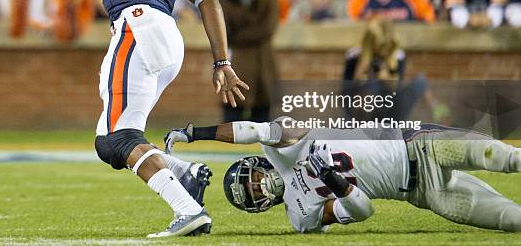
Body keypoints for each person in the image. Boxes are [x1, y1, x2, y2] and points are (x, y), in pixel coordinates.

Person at [23, 0, 249, 238]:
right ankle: (185, 173)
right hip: (168, 37)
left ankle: (187, 209)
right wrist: (221, 61)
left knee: (120, 136)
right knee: (108, 142)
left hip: (137, 25)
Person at [163, 119, 521, 233]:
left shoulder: (280, 147)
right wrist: (337, 184)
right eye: (253, 194)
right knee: (509, 220)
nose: (259, 187)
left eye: (252, 180)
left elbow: (254, 129)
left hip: (415, 143)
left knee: (502, 157)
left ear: (255, 166)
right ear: (258, 206)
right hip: (423, 193)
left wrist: (198, 132)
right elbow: (363, 211)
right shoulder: (300, 215)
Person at [217, 0, 279, 123]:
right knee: (232, 118)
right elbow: (224, 29)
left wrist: (239, 33)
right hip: (237, 63)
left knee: (263, 123)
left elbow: (267, 29)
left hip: (263, 66)